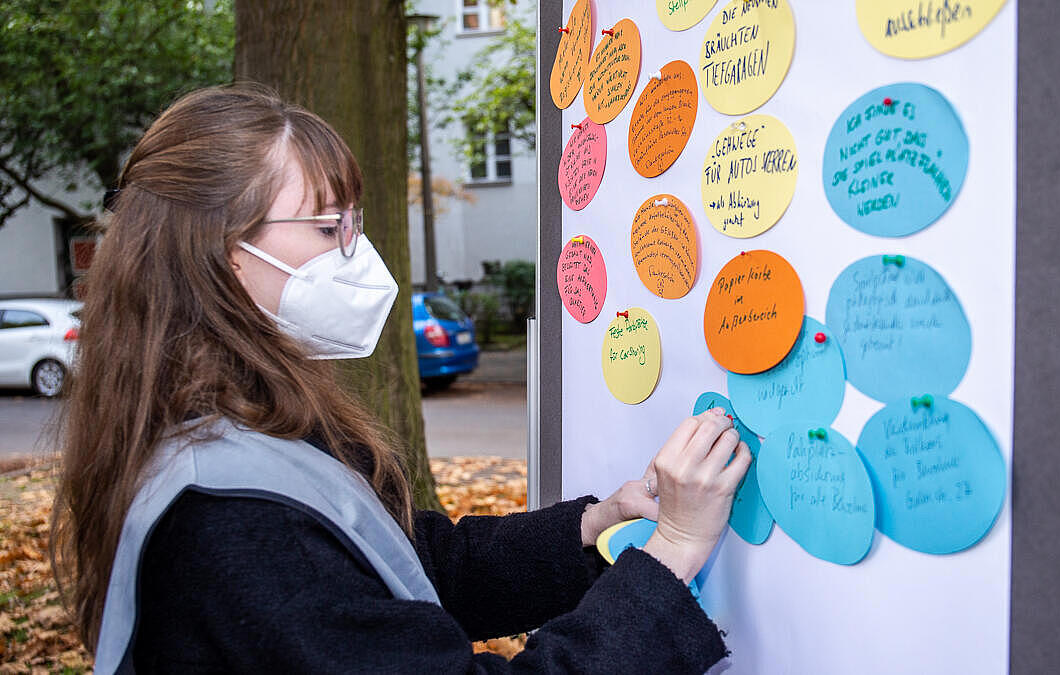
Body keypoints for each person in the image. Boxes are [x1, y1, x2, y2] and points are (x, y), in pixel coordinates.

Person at [50, 84, 751, 674]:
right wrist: (671, 556)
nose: (358, 254)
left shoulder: (240, 425)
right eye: (330, 228)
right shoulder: (232, 517)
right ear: (223, 254)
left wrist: (596, 526)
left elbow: (408, 567)